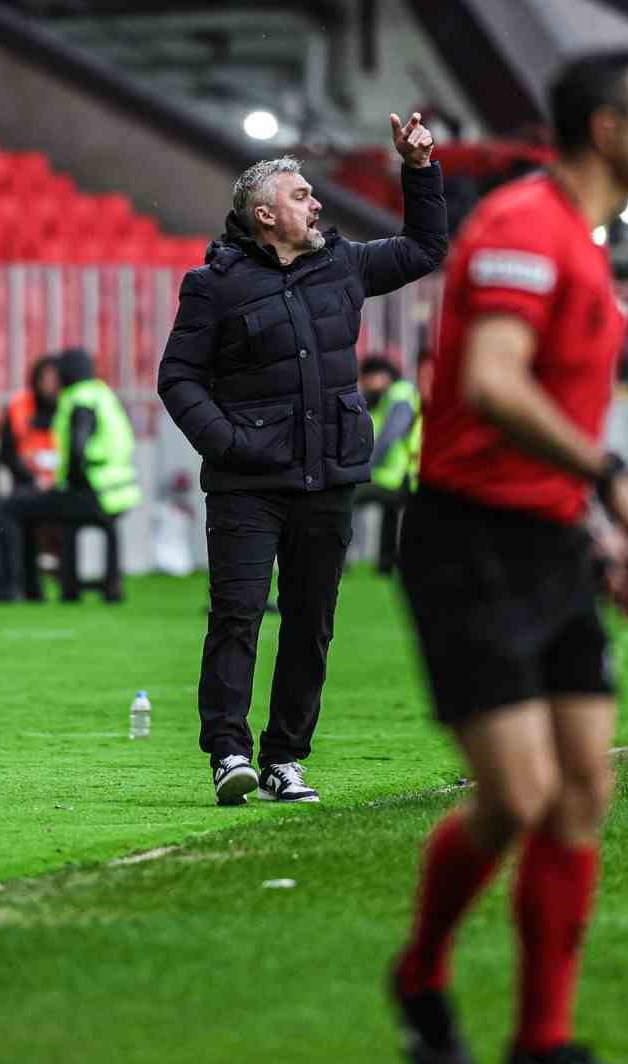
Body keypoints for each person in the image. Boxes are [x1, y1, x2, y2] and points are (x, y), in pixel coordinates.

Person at [391, 49, 628, 1064]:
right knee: (514, 797)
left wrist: (597, 537)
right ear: (606, 128)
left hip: (551, 543)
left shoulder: (586, 243)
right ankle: (421, 968)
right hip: (465, 539)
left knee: (582, 792)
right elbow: (494, 383)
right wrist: (615, 481)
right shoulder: (521, 225)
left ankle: (540, 1042)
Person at [159, 113, 447, 807]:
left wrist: (419, 169)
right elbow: (178, 378)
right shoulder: (214, 285)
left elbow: (426, 245)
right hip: (247, 485)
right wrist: (228, 444)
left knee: (311, 620)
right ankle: (229, 751)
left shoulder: (343, 265)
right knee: (237, 614)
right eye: (301, 196)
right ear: (264, 215)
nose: (316, 204)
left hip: (329, 477)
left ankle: (286, 757)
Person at [0, 348, 141, 604]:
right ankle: (36, 589)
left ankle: (11, 588)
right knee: (27, 505)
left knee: (10, 508)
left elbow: (77, 448)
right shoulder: (103, 396)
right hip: (117, 493)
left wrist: (67, 484)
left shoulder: (79, 400)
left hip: (92, 494)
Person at [355, 354, 422, 574]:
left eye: (367, 378)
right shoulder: (394, 396)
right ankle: (385, 565)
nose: (364, 384)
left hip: (397, 475)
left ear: (381, 376)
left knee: (345, 499)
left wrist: (369, 466)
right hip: (402, 474)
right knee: (390, 517)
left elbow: (389, 436)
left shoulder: (399, 395)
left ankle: (339, 561)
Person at [0, 355, 61, 491]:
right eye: (45, 379)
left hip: (65, 484)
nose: (49, 385)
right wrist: (33, 480)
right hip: (27, 483)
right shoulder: (20, 406)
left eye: (54, 380)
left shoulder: (71, 407)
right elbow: (6, 452)